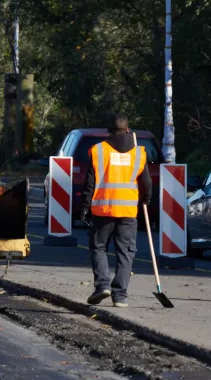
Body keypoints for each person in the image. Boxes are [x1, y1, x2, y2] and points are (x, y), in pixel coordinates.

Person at [80, 113, 152, 308]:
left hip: (102, 210)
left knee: (99, 247)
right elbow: (146, 182)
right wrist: (146, 198)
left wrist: (85, 207)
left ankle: (102, 285)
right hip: (128, 211)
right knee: (126, 253)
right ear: (128, 130)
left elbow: (89, 183)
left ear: (109, 131)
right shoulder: (139, 153)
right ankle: (120, 296)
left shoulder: (98, 151)